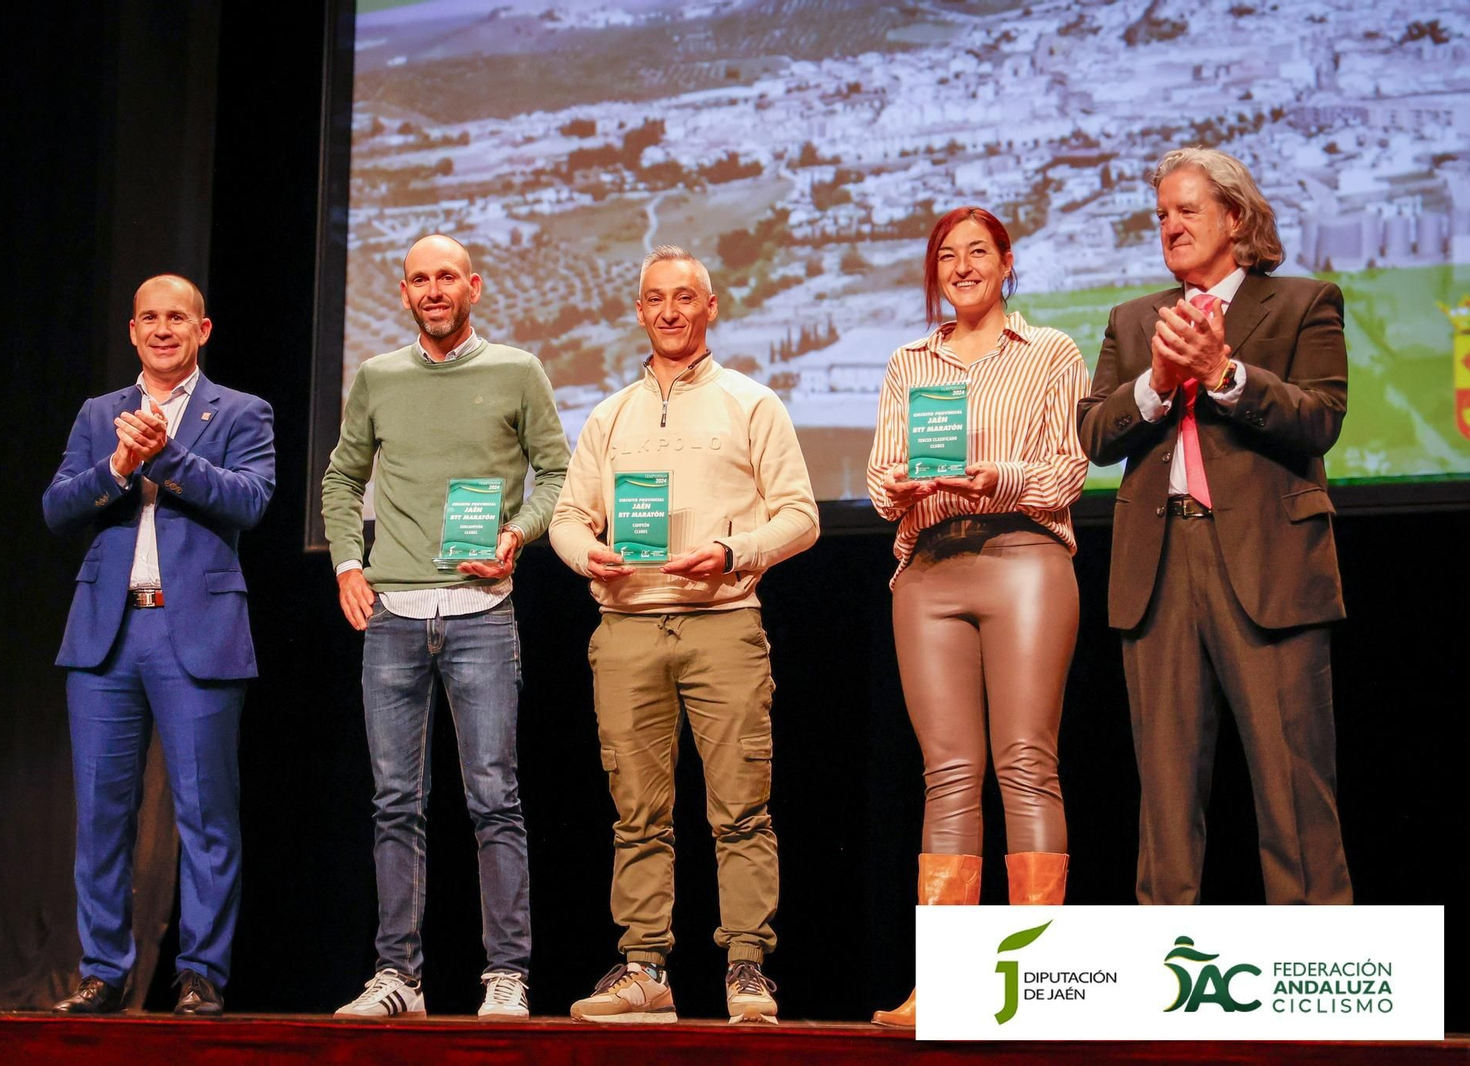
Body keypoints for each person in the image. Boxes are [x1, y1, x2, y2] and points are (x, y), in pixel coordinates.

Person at [548, 245, 818, 1026]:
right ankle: (644, 970)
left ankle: (747, 969)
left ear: (711, 307)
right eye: (656, 299)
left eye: (685, 297)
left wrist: (734, 551)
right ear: (640, 312)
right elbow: (568, 517)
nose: (670, 312)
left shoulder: (751, 403)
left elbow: (800, 516)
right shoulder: (610, 415)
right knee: (637, 813)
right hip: (627, 627)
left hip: (724, 624)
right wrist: (586, 554)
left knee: (741, 809)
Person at [1077, 147, 1352, 905]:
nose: (1170, 226)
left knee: (1294, 785)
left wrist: (1224, 375)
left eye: (1187, 210)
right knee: (1165, 794)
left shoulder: (1303, 303)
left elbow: (1321, 418)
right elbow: (1095, 434)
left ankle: (1317, 958)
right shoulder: (1135, 320)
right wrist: (1157, 384)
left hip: (1269, 564)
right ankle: (1166, 963)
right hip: (1159, 566)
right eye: (1161, 214)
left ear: (1235, 217)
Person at [321, 234, 570, 1020]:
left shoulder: (517, 371)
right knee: (395, 803)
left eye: (447, 278)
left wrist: (517, 533)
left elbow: (558, 472)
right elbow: (341, 477)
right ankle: (399, 976)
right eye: (420, 279)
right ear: (403, 293)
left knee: (494, 798)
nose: (433, 290)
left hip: (482, 614)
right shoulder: (378, 377)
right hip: (393, 617)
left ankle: (507, 974)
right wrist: (347, 564)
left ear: (474, 286)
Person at [866, 208, 1090, 1027]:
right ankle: (949, 984)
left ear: (1005, 263)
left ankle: (1036, 983)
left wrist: (996, 478)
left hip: (1024, 556)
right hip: (928, 568)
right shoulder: (909, 362)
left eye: (977, 253)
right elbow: (880, 478)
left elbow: (1067, 470)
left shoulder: (1051, 352)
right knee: (949, 774)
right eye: (947, 256)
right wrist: (902, 486)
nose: (962, 267)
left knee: (1025, 763)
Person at [43, 274, 276, 1016]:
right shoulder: (99, 413)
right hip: (107, 635)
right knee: (101, 815)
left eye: (178, 317)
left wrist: (167, 458)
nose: (163, 329)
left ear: (202, 330)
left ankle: (200, 974)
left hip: (196, 631)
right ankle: (102, 972)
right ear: (133, 331)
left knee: (206, 817)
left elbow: (250, 499)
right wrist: (117, 467)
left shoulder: (240, 410)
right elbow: (56, 507)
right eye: (150, 318)